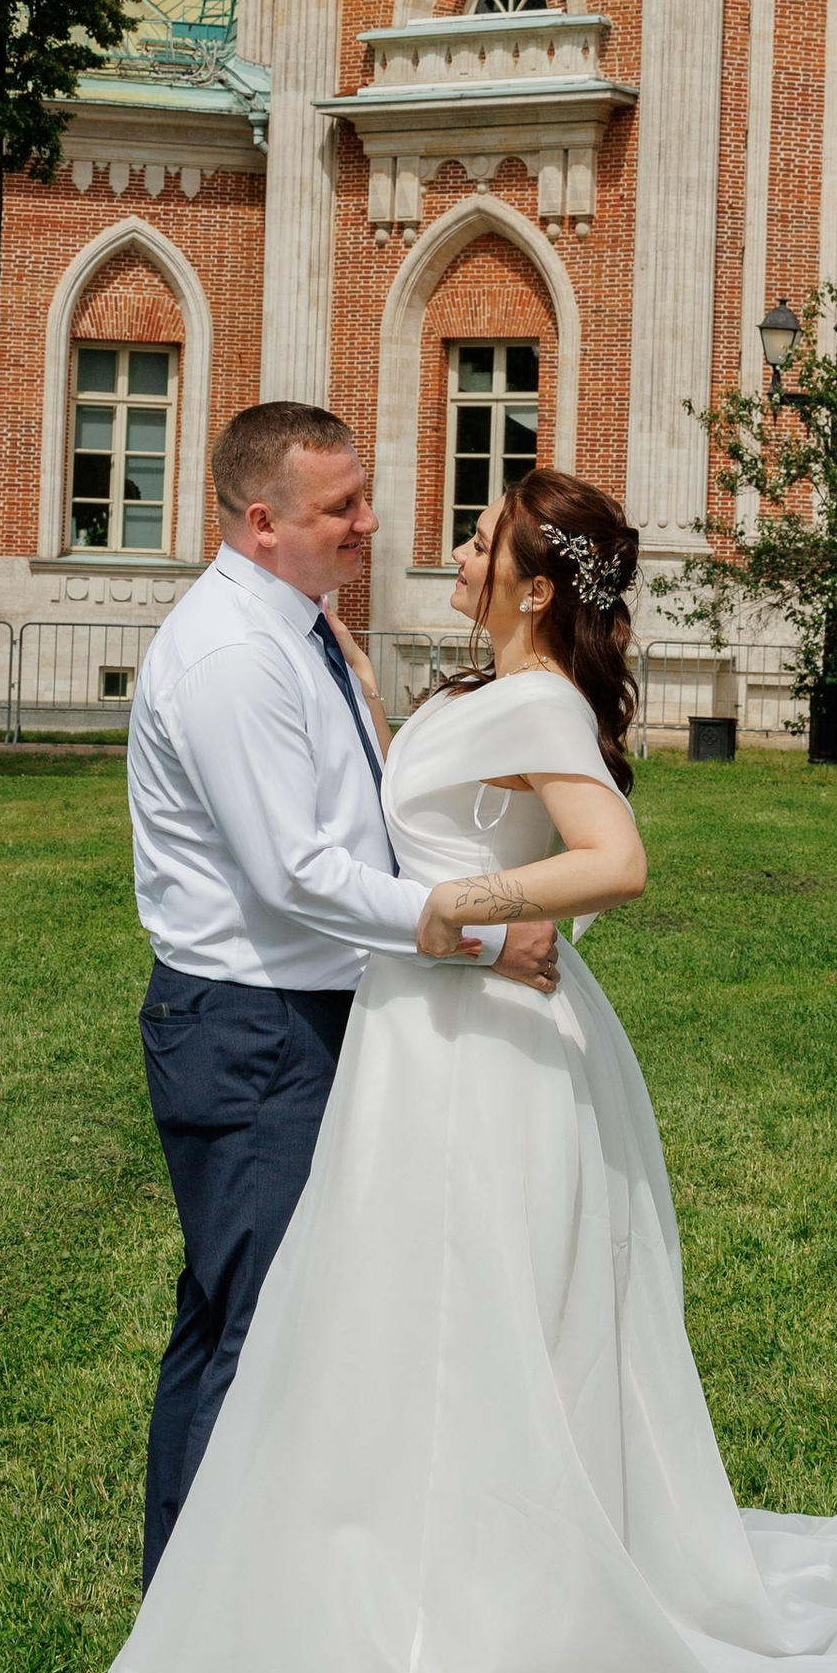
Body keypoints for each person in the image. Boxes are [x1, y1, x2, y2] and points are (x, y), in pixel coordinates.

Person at [87, 462, 837, 1673]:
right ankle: (393, 1570)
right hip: (422, 1034)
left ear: (528, 584)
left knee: (483, 1320)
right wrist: (353, 682)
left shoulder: (535, 701)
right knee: (414, 1320)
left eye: (480, 535)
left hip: (481, 1053)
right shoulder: (470, 692)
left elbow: (613, 859)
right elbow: (415, 811)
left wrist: (477, 901)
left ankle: (484, 1606)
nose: (444, 545)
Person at [120, 400, 561, 1586]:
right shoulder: (228, 657)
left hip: (293, 1013)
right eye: (341, 509)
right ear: (261, 524)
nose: (370, 524)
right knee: (257, 1325)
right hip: (253, 1026)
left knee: (238, 1308)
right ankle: (204, 1619)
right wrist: (476, 938)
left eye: (363, 497)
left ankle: (210, 1589)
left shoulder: (298, 625)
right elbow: (296, 875)